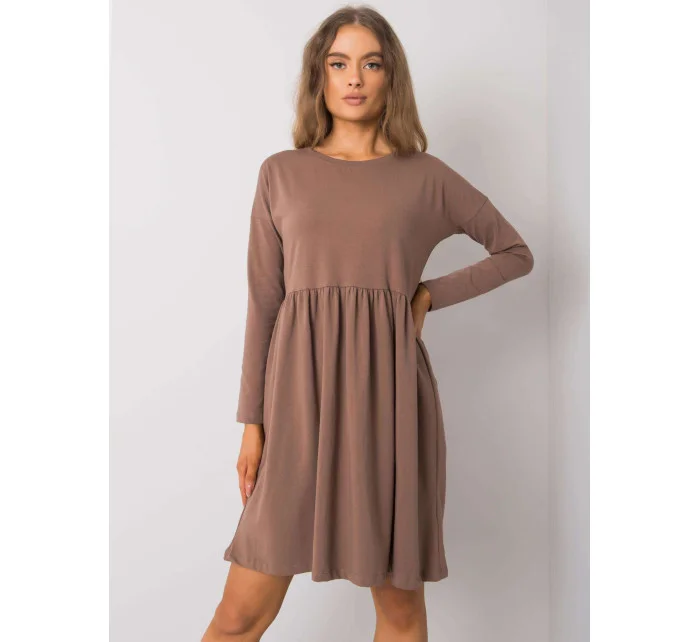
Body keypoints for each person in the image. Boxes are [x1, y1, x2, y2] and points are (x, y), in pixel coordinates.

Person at [202, 5, 534, 641]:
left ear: (391, 77)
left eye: (371, 63)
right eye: (339, 63)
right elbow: (264, 303)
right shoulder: (282, 173)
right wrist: (252, 423)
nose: (354, 78)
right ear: (319, 76)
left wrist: (429, 294)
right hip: (295, 406)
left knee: (400, 615)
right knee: (238, 616)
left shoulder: (426, 177)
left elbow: (515, 253)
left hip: (390, 407)